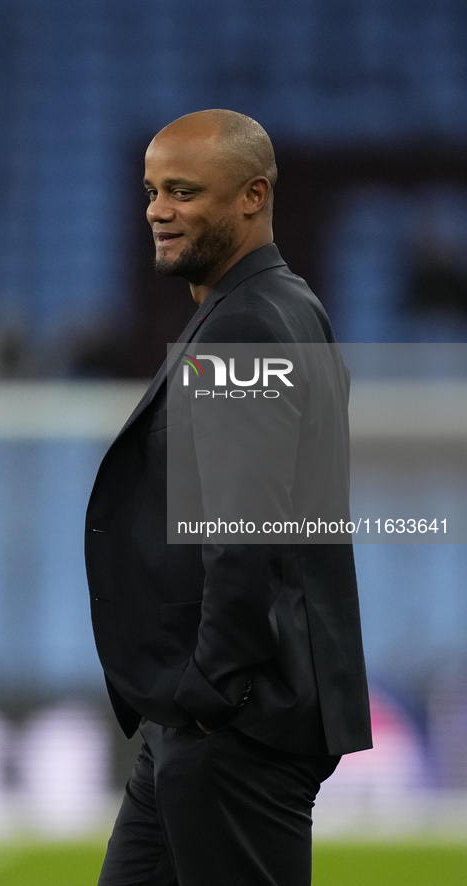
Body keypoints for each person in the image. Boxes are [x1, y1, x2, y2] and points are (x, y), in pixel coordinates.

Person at [85, 110, 372, 886]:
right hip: (209, 724)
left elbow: (244, 533)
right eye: (150, 190)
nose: (157, 209)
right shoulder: (280, 304)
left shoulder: (245, 326)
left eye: (183, 191)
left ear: (252, 196)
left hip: (232, 724)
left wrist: (209, 692)